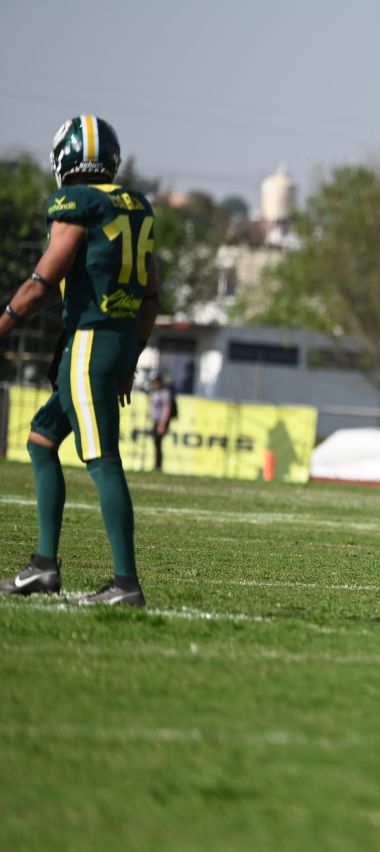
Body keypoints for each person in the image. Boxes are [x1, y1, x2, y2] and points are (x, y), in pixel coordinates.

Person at [0, 115, 159, 607]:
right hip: (113, 340)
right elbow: (152, 295)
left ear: (66, 159)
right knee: (41, 439)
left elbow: (42, 282)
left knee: (103, 459)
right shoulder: (135, 205)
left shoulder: (76, 204)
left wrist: (4, 321)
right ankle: (44, 568)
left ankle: (125, 583)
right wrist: (130, 354)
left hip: (89, 341)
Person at [148, 374, 174, 471]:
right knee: (156, 443)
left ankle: (158, 466)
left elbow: (167, 408)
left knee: (158, 443)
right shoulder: (156, 392)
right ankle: (157, 465)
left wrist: (162, 424)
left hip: (161, 422)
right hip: (156, 421)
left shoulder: (165, 393)